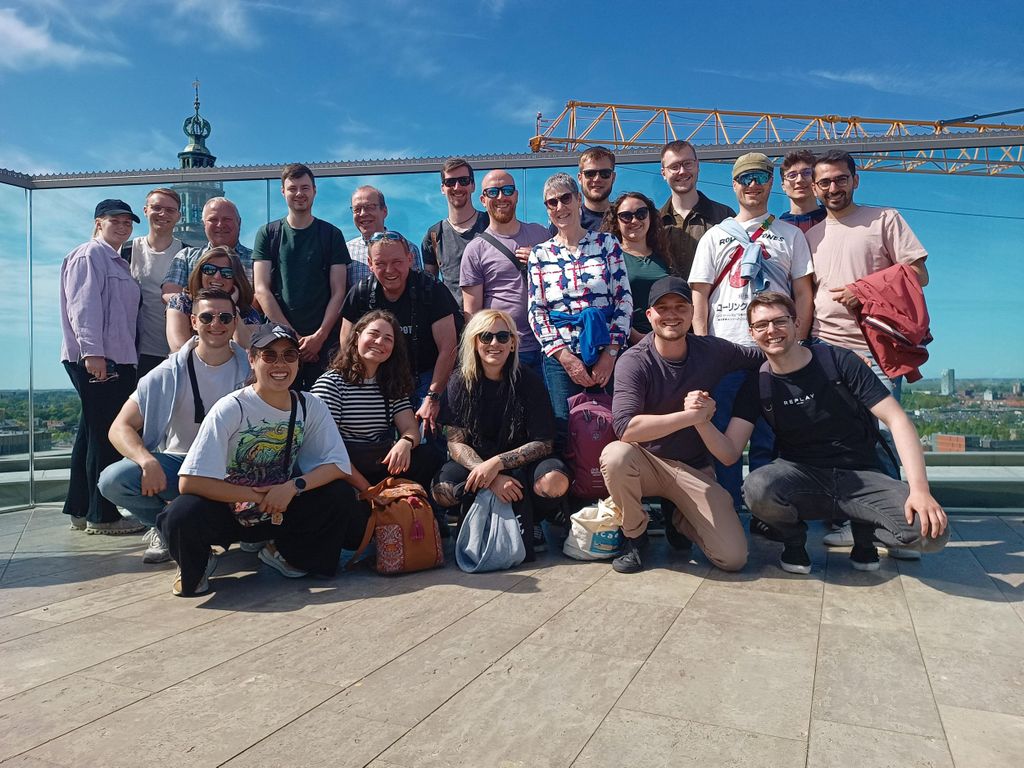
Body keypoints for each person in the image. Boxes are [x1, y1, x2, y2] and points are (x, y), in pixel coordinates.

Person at [693, 291, 949, 574]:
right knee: (757, 488)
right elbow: (730, 453)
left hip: (862, 476)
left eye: (780, 321)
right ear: (752, 333)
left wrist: (920, 491)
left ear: (796, 323)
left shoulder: (839, 361)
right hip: (802, 475)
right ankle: (794, 540)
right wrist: (701, 422)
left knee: (930, 534)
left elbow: (897, 419)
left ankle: (865, 531)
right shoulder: (759, 383)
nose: (771, 331)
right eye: (761, 325)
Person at [157, 324, 365, 597]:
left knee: (338, 496)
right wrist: (253, 495)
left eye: (289, 356)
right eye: (269, 356)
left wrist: (293, 486)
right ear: (252, 359)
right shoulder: (232, 407)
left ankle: (283, 553)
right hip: (229, 511)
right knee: (181, 513)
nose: (280, 364)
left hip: (280, 509)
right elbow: (189, 481)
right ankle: (199, 562)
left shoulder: (309, 405)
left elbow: (336, 464)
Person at [599, 276, 763, 575]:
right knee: (615, 455)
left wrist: (827, 358)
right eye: (662, 308)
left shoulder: (713, 351)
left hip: (693, 468)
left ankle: (680, 518)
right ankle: (635, 537)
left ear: (692, 312)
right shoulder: (634, 361)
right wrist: (692, 416)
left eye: (680, 307)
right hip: (646, 463)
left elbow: (764, 356)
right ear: (649, 315)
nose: (671, 314)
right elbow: (626, 428)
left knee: (733, 557)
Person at [808, 150, 930, 547]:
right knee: (841, 439)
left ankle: (900, 527)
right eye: (824, 182)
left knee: (880, 438)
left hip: (875, 349)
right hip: (826, 346)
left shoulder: (885, 219)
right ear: (815, 188)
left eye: (840, 179)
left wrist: (864, 291)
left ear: (855, 180)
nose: (833, 188)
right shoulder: (810, 236)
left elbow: (918, 274)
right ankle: (856, 522)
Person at [689, 152, 814, 512]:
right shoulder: (715, 236)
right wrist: (702, 347)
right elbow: (699, 295)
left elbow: (803, 292)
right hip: (726, 351)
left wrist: (800, 341)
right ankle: (729, 507)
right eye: (745, 179)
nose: (753, 185)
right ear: (734, 185)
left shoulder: (789, 235)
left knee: (771, 438)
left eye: (760, 177)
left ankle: (769, 511)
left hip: (775, 352)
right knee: (723, 434)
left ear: (771, 182)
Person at [99, 289, 251, 563]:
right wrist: (146, 461)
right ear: (193, 321)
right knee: (113, 481)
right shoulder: (166, 374)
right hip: (178, 464)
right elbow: (119, 427)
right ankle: (163, 526)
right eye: (207, 317)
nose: (216, 324)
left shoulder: (252, 371)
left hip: (235, 467)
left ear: (235, 322)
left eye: (225, 317)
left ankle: (258, 533)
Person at [433, 309, 570, 560]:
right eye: (486, 337)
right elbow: (455, 443)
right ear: (474, 342)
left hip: (524, 464)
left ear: (513, 343)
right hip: (476, 464)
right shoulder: (459, 383)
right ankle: (474, 521)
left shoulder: (528, 380)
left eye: (502, 337)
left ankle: (536, 521)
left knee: (555, 481)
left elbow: (544, 443)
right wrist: (490, 475)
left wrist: (497, 464)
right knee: (442, 490)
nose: (494, 343)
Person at [59, 199, 146, 534]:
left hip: (115, 357)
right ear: (98, 223)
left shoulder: (116, 260)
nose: (123, 227)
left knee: (89, 433)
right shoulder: (90, 255)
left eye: (128, 223)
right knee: (106, 434)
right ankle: (103, 516)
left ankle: (80, 508)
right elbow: (84, 306)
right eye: (115, 221)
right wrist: (93, 354)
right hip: (100, 359)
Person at [528, 173, 632, 440]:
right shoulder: (540, 254)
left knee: (614, 425)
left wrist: (611, 353)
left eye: (565, 198)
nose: (560, 207)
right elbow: (536, 311)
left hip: (605, 347)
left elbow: (623, 300)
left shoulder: (607, 244)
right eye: (552, 203)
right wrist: (566, 358)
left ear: (577, 200)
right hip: (561, 357)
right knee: (566, 430)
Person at [340, 231, 460, 436]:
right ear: (369, 264)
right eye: (380, 263)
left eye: (397, 261)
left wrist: (433, 397)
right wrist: (364, 384)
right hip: (379, 377)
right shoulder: (361, 292)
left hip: (427, 376)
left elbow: (449, 348)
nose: (389, 270)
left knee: (431, 439)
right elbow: (347, 343)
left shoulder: (431, 289)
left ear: (410, 259)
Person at [311, 309, 442, 490]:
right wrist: (371, 492)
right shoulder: (331, 383)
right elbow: (328, 450)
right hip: (340, 469)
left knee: (427, 456)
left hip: (377, 463)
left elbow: (411, 429)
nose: (380, 342)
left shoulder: (390, 383)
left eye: (388, 339)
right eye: (373, 334)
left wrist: (406, 442)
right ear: (357, 337)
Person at [253, 164, 352, 390]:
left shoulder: (331, 234)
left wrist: (319, 336)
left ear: (314, 191)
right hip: (279, 343)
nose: (299, 194)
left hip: (325, 345)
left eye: (305, 188)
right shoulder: (268, 234)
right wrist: (290, 337)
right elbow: (261, 289)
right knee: (281, 407)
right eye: (292, 188)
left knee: (325, 409)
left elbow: (339, 291)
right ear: (283, 192)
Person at [460, 169, 550, 379]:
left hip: (549, 346)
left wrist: (540, 261)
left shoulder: (542, 235)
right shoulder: (476, 249)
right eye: (493, 192)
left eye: (507, 190)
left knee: (552, 412)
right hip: (504, 351)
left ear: (516, 195)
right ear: (483, 200)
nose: (501, 197)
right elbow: (472, 315)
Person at [599, 192, 678, 344]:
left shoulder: (663, 257)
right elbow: (606, 304)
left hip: (666, 341)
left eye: (641, 214)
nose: (634, 220)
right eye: (626, 216)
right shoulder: (610, 258)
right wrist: (639, 339)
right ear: (616, 221)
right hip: (627, 344)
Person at [123, 187, 185, 377]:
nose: (163, 214)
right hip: (136, 351)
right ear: (145, 210)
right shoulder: (126, 251)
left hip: (176, 350)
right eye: (156, 208)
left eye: (170, 210)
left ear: (178, 216)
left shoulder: (187, 254)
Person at [658, 140, 736, 278]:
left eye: (687, 164)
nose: (682, 171)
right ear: (663, 173)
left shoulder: (724, 216)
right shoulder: (653, 221)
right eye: (674, 167)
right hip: (669, 299)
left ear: (697, 166)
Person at [421, 158, 490, 303]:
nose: (457, 187)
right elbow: (429, 288)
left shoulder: (491, 223)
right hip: (454, 322)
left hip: (492, 319)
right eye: (450, 182)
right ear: (442, 188)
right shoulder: (433, 235)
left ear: (473, 185)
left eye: (463, 181)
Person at [166, 246, 261, 350]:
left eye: (227, 272)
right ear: (200, 273)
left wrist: (231, 308)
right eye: (209, 270)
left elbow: (249, 348)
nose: (217, 276)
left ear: (236, 278)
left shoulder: (247, 312)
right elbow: (179, 348)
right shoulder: (181, 303)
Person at [161, 197, 253, 300]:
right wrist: (204, 308)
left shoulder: (255, 260)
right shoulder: (186, 257)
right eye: (213, 219)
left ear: (239, 222)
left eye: (227, 219)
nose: (220, 224)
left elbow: (261, 298)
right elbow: (169, 294)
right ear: (204, 224)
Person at [346, 186, 424, 284]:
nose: (363, 214)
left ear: (384, 211)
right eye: (357, 209)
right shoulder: (346, 251)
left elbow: (417, 287)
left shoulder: (407, 248)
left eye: (369, 207)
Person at [777, 150, 826, 233]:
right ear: (783, 186)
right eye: (792, 175)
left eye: (806, 173)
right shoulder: (777, 229)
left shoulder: (834, 219)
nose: (799, 180)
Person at [576, 146, 617, 231]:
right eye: (590, 174)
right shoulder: (569, 222)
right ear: (580, 178)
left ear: (613, 178)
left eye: (605, 173)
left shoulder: (628, 218)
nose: (597, 179)